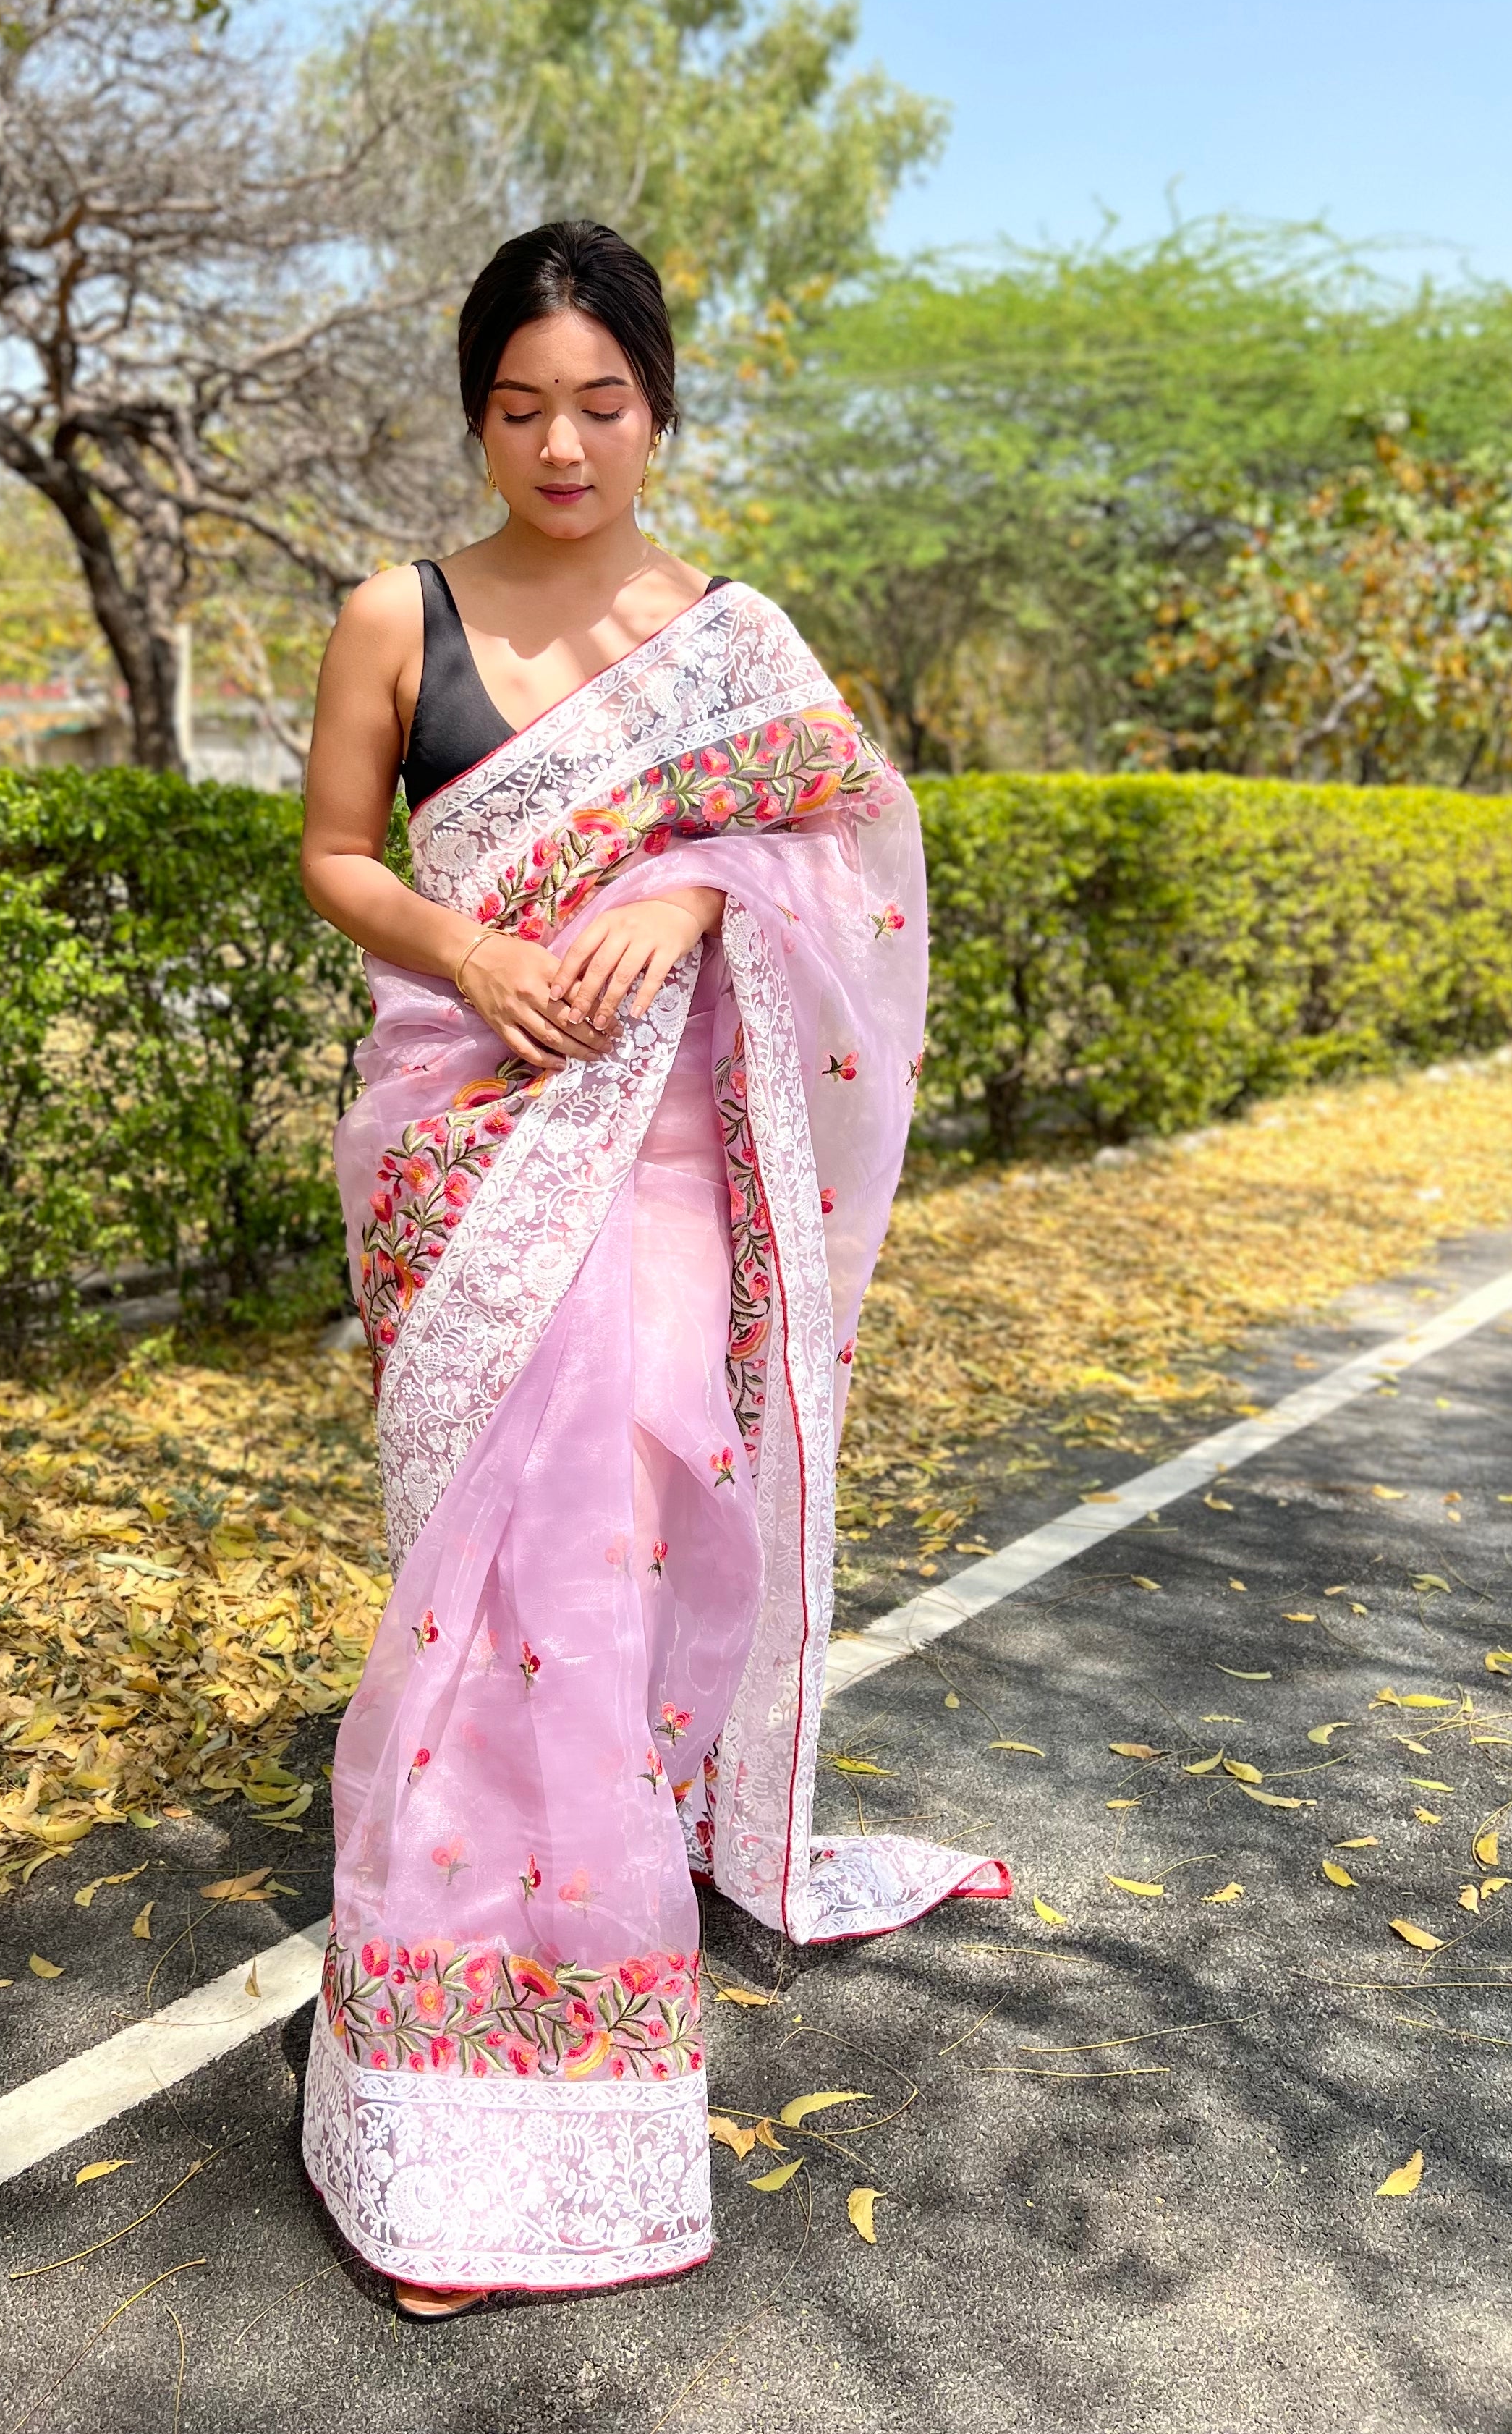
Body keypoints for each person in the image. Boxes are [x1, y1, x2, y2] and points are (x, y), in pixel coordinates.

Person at [297, 219, 1006, 2316]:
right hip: (462, 1138)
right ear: (475, 417)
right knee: (482, 1580)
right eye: (519, 407)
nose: (561, 444)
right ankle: (439, 2075)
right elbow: (340, 849)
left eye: (600, 404)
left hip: (669, 1153)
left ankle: (563, 2044)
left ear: (659, 409)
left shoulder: (726, 639)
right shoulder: (390, 615)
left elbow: (844, 853)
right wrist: (479, 949)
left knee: (597, 1548)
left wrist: (692, 906)